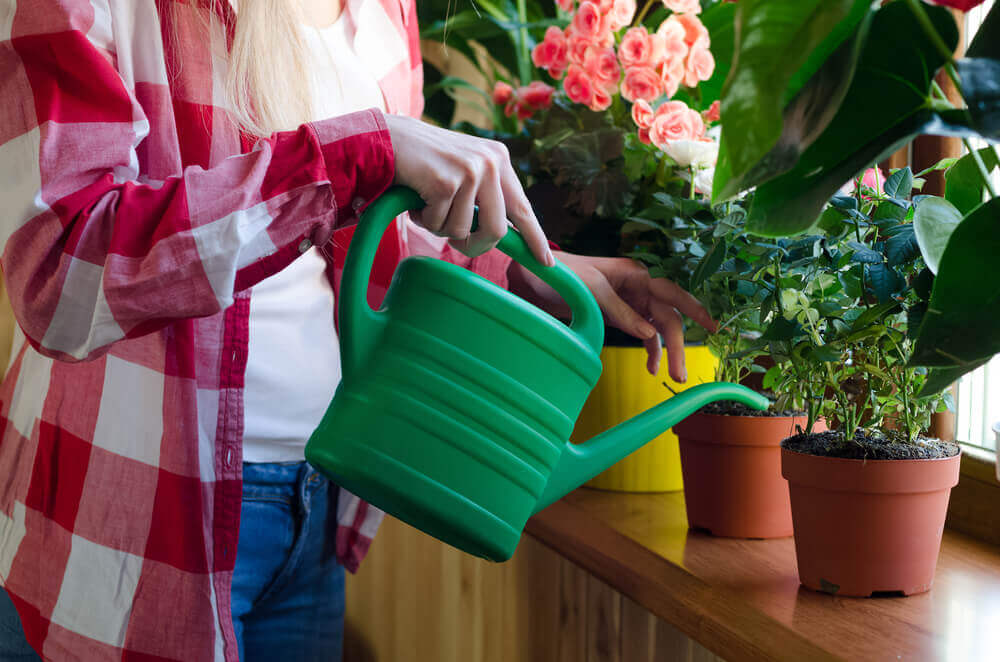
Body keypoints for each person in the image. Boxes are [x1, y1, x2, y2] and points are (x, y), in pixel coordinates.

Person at [0, 0, 716, 660]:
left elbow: (381, 243)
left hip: (321, 493)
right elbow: (60, 275)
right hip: (139, 514)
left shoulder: (383, 11)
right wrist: (354, 156)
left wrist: (538, 274)